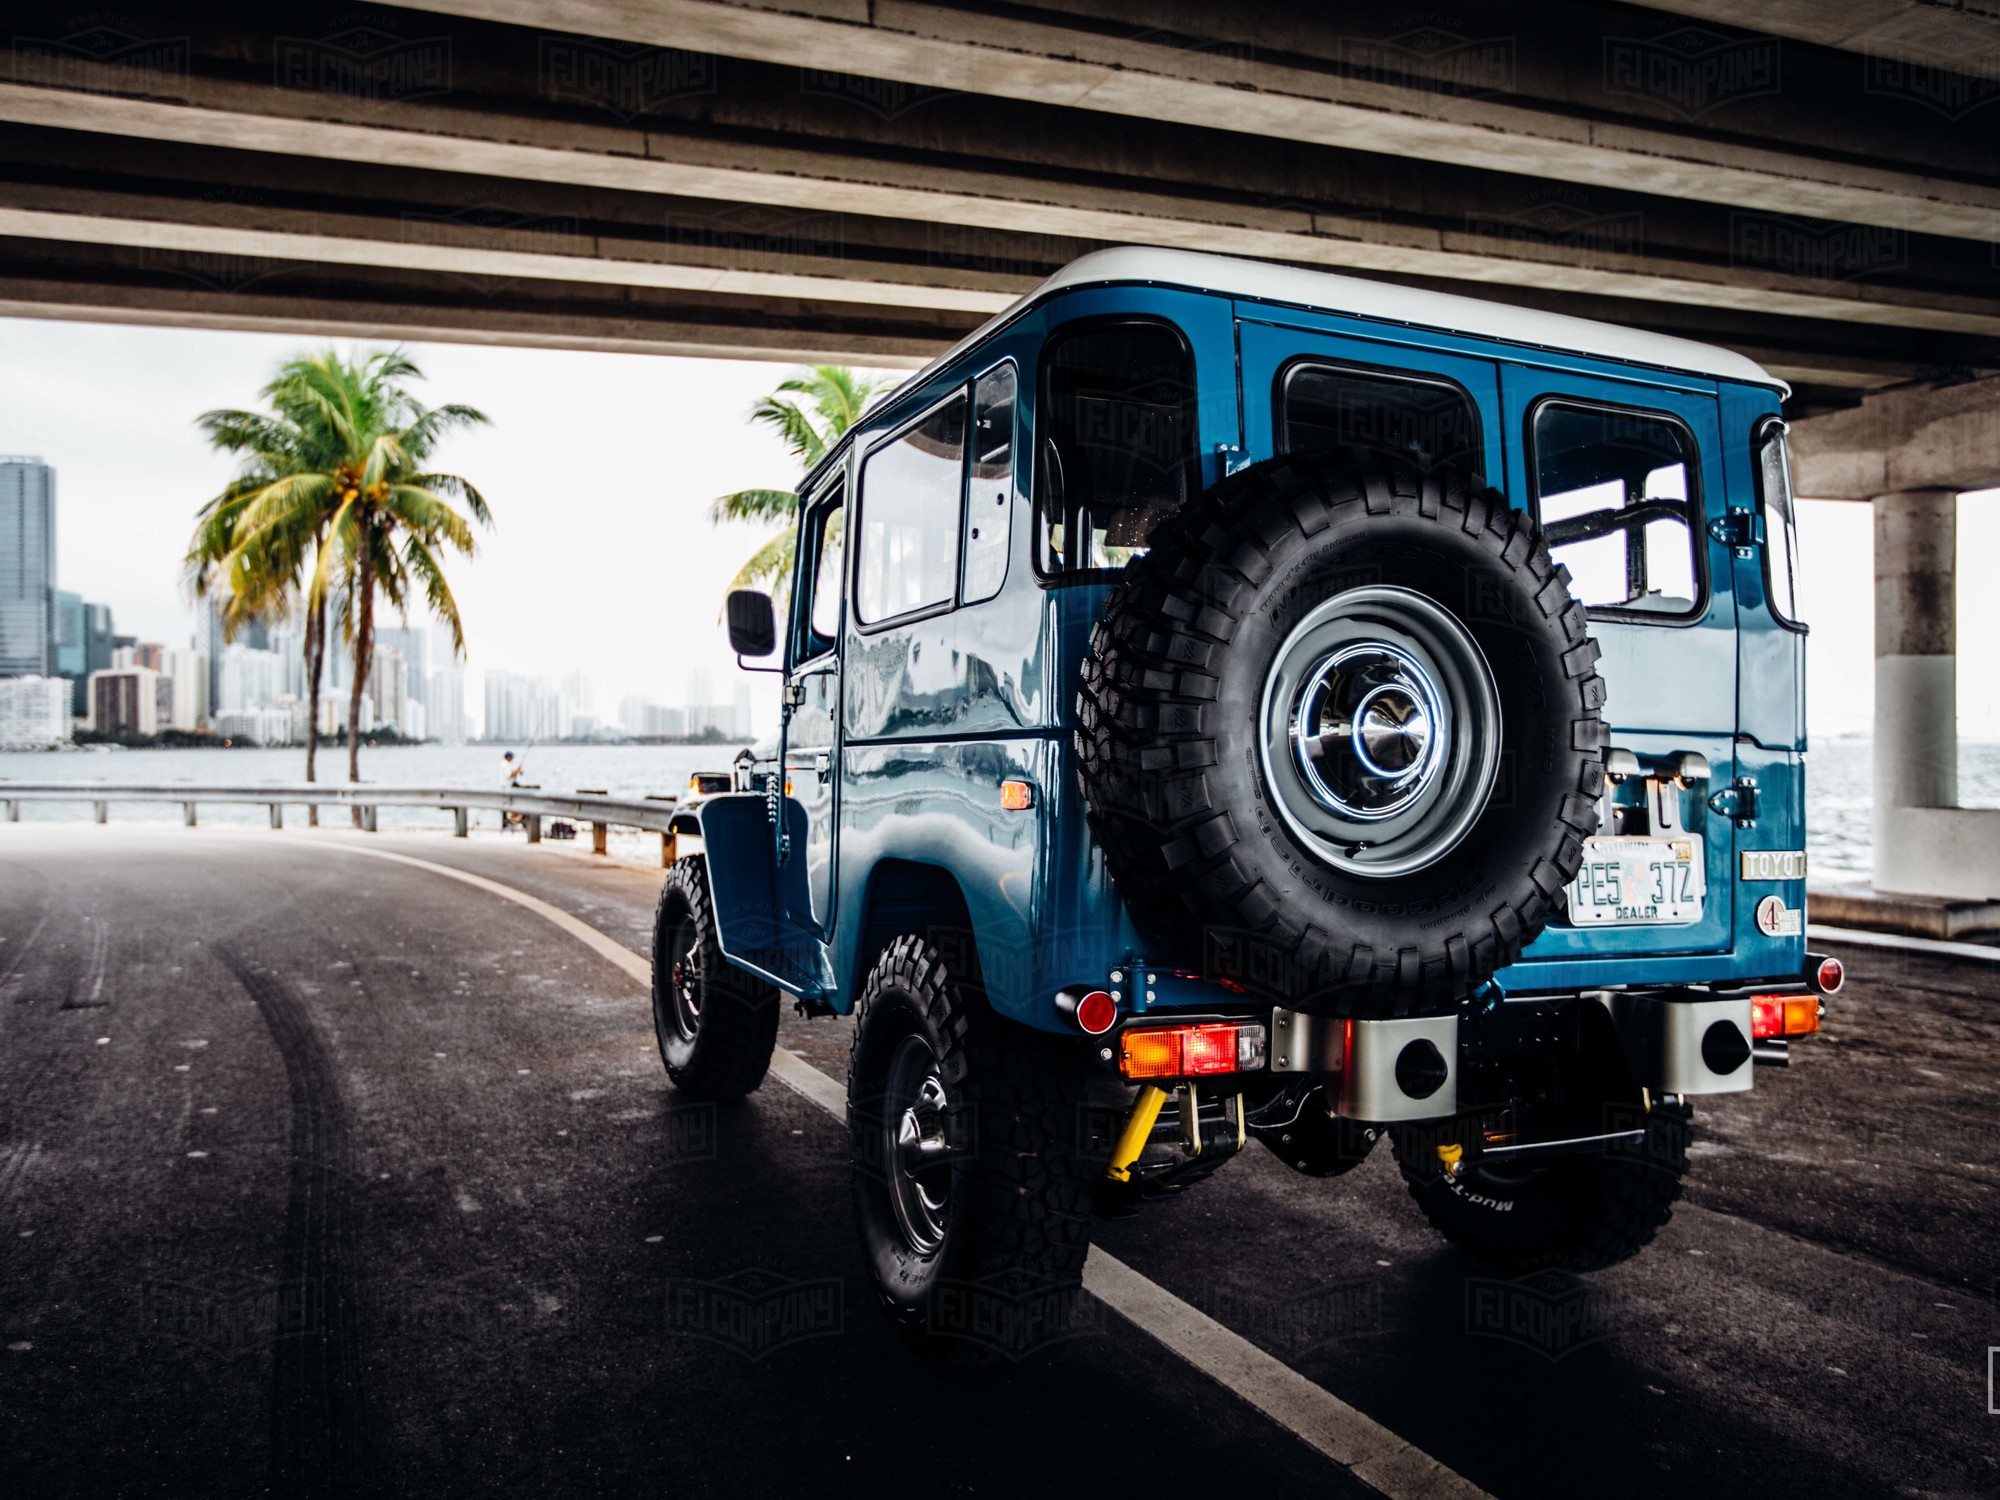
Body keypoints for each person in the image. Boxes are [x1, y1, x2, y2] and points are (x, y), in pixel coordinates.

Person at [502, 750, 525, 828]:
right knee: (508, 806)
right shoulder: (505, 764)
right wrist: (517, 771)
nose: (512, 759)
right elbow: (509, 775)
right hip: (507, 788)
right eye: (511, 757)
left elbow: (512, 773)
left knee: (507, 807)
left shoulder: (506, 764)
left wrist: (517, 771)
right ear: (508, 757)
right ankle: (508, 822)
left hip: (508, 788)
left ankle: (509, 822)